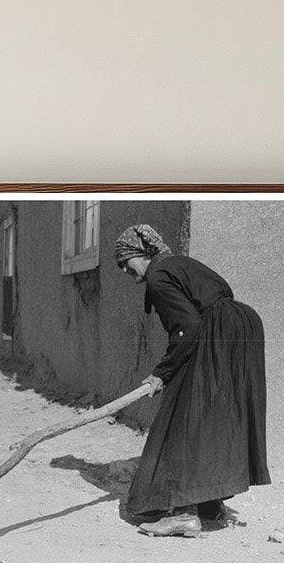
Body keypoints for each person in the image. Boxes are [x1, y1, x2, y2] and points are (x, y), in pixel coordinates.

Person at [115, 224, 271, 537]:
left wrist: (162, 373)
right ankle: (211, 507)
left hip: (218, 334)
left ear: (140, 254)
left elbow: (187, 328)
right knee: (215, 418)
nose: (123, 270)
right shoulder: (180, 264)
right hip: (242, 328)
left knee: (184, 418)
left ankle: (184, 513)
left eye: (124, 261)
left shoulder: (159, 277)